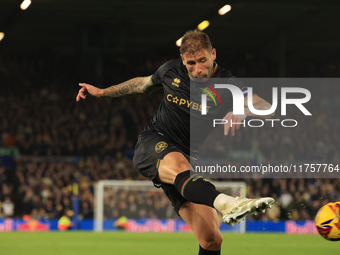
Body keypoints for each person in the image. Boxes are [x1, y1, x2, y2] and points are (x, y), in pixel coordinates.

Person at [76, 30, 275, 255]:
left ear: (213, 54)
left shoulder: (228, 83)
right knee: (181, 166)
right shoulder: (170, 70)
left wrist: (242, 110)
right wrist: (101, 92)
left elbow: (265, 106)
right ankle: (227, 203)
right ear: (183, 60)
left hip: (186, 164)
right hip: (153, 143)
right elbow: (142, 84)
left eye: (203, 61)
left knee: (211, 239)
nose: (198, 70)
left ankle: (220, 202)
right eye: (191, 63)